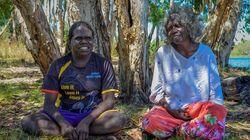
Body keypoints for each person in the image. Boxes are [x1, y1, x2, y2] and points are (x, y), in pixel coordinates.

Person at [21, 21, 127, 139]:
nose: (84, 41)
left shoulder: (103, 64)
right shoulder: (57, 66)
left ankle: (75, 133)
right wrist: (63, 123)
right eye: (78, 38)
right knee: (28, 122)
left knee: (119, 119)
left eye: (88, 38)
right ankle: (85, 135)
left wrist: (87, 121)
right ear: (70, 41)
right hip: (64, 114)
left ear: (92, 41)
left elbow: (109, 101)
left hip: (93, 116)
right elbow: (49, 104)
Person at [142, 6, 227, 139]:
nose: (173, 30)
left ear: (189, 26)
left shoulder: (206, 53)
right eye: (169, 28)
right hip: (171, 111)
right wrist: (171, 109)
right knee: (150, 120)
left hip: (200, 111)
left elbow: (216, 95)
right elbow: (156, 92)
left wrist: (207, 113)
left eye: (177, 25)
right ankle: (191, 131)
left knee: (218, 111)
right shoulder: (163, 53)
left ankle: (183, 130)